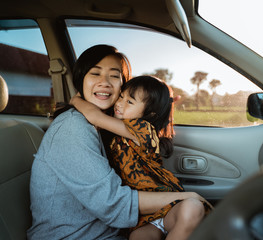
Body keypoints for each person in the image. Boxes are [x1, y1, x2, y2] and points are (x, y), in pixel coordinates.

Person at [27, 45, 207, 240]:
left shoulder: (116, 125)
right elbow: (112, 203)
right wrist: (184, 196)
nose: (104, 82)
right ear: (81, 80)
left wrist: (77, 100)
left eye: (114, 76)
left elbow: (96, 116)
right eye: (95, 73)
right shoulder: (72, 127)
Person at [71, 75, 212, 240]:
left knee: (192, 208)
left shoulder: (143, 129)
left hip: (166, 204)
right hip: (141, 218)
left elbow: (95, 116)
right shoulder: (114, 130)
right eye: (121, 96)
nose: (119, 103)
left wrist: (75, 100)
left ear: (150, 113)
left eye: (129, 102)